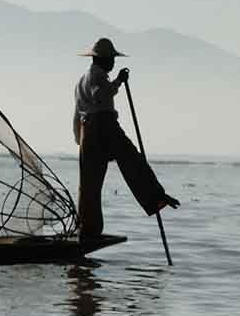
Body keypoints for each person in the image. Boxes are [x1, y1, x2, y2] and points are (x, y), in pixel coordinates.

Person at [74, 37, 179, 240]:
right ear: (102, 59)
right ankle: (155, 198)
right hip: (103, 125)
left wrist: (81, 138)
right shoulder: (96, 75)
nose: (113, 63)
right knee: (131, 159)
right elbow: (100, 95)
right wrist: (119, 82)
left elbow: (77, 113)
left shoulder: (82, 80)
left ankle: (88, 228)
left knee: (89, 184)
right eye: (111, 59)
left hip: (88, 131)